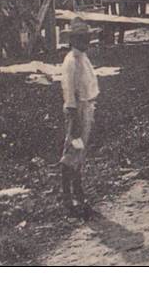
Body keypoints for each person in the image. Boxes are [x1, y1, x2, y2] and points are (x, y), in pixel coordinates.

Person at [59, 17, 100, 220]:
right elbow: (70, 91)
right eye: (82, 39)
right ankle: (68, 198)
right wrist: (74, 118)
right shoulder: (71, 61)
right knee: (72, 152)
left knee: (79, 153)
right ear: (73, 40)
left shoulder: (82, 58)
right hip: (77, 112)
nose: (86, 42)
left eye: (87, 38)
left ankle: (79, 194)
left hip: (86, 109)